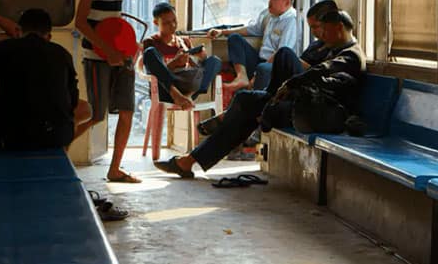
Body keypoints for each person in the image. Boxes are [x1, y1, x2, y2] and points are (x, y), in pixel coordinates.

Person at [154, 10, 365, 178]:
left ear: (339, 28)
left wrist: (291, 83)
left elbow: (323, 73)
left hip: (322, 112)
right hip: (303, 104)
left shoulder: (352, 55)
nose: (321, 36)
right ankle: (189, 161)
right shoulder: (330, 47)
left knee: (282, 57)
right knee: (246, 105)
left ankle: (191, 158)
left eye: (325, 31)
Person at [198, 0, 338, 136]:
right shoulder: (316, 44)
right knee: (244, 95)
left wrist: (260, 76)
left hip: (307, 89)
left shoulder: (336, 49)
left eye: (316, 27)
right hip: (283, 76)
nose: (313, 32)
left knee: (279, 58)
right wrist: (222, 32)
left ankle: (234, 118)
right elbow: (251, 29)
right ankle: (248, 91)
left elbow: (320, 74)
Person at [0, 9, 92, 150]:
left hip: (9, 136)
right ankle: (62, 151)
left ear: (20, 31)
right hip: (55, 136)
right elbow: (72, 99)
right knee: (76, 115)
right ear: (49, 36)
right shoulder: (62, 54)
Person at [74, 0, 139, 183]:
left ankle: (115, 169)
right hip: (96, 58)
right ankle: (57, 148)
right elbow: (80, 22)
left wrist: (126, 48)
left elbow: (114, 19)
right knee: (96, 114)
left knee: (126, 110)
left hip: (120, 55)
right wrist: (107, 50)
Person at [208, 0, 299, 92]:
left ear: (287, 3)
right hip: (260, 60)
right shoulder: (268, 14)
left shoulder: (292, 21)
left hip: (273, 66)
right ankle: (242, 77)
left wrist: (256, 75)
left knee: (262, 70)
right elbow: (252, 30)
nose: (270, 2)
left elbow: (281, 53)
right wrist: (222, 32)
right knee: (234, 38)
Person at [137, 2, 222, 109]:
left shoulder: (184, 42)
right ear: (156, 22)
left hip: (188, 87)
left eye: (174, 21)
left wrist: (201, 59)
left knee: (214, 61)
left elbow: (194, 71)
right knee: (149, 52)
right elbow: (154, 73)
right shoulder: (151, 42)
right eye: (166, 22)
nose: (172, 25)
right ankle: (177, 95)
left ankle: (187, 97)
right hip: (166, 90)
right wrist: (174, 63)